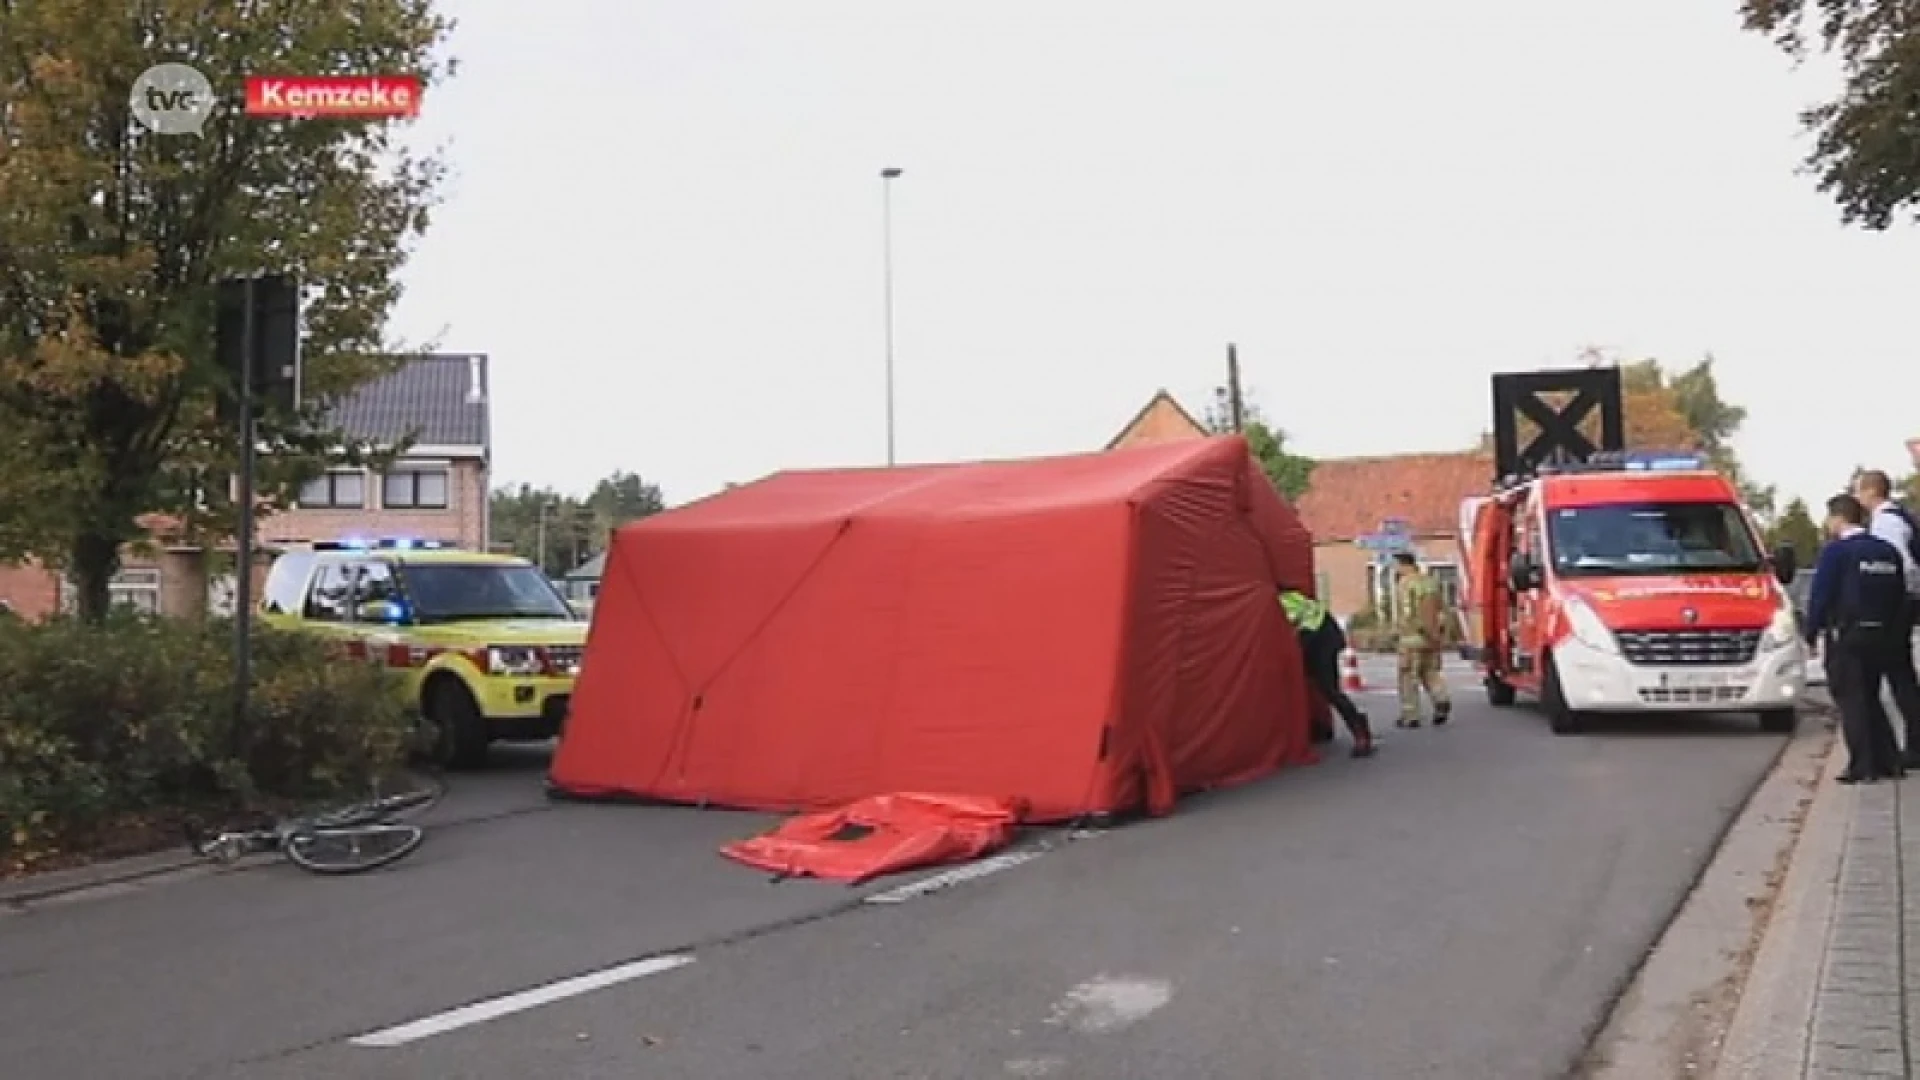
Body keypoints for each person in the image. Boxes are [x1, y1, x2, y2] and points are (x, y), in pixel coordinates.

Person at [1804, 493, 1909, 784]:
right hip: (1882, 635)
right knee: (1870, 696)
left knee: (1852, 700)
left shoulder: (1836, 552)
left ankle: (1862, 766)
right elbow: (1900, 594)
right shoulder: (1887, 551)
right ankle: (1889, 760)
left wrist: (1811, 632)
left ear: (1838, 518)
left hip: (1847, 635)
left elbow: (1821, 595)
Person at [1851, 469, 1920, 767]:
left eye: (1858, 490)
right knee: (1900, 674)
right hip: (1904, 602)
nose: (1856, 497)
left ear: (1871, 491)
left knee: (1899, 675)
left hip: (1897, 605)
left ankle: (1913, 747)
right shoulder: (1899, 518)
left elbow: (1898, 565)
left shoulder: (1886, 522)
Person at [1279, 588, 1376, 758]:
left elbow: (1299, 625)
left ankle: (1360, 732)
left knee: (1329, 689)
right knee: (1314, 686)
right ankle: (1316, 726)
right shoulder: (1291, 596)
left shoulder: (1284, 602)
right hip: (1321, 635)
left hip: (1321, 640)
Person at [1392, 552, 1451, 728]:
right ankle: (1441, 699)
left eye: (1396, 565)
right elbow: (1441, 610)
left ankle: (1411, 715)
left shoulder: (1405, 584)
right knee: (1431, 673)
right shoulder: (1430, 581)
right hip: (1432, 638)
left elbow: (1409, 612)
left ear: (1403, 565)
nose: (1395, 569)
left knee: (1408, 677)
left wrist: (1416, 630)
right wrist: (1437, 635)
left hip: (1412, 639)